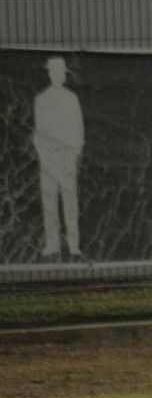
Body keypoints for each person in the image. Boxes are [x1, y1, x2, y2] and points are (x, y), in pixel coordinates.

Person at [34, 56, 85, 262]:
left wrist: (74, 153)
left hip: (67, 156)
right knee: (49, 201)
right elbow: (39, 130)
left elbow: (79, 128)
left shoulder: (71, 99)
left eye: (60, 72)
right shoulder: (42, 99)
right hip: (48, 157)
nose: (57, 76)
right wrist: (44, 156)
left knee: (70, 200)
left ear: (64, 75)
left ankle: (74, 244)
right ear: (49, 74)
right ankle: (52, 243)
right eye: (53, 72)